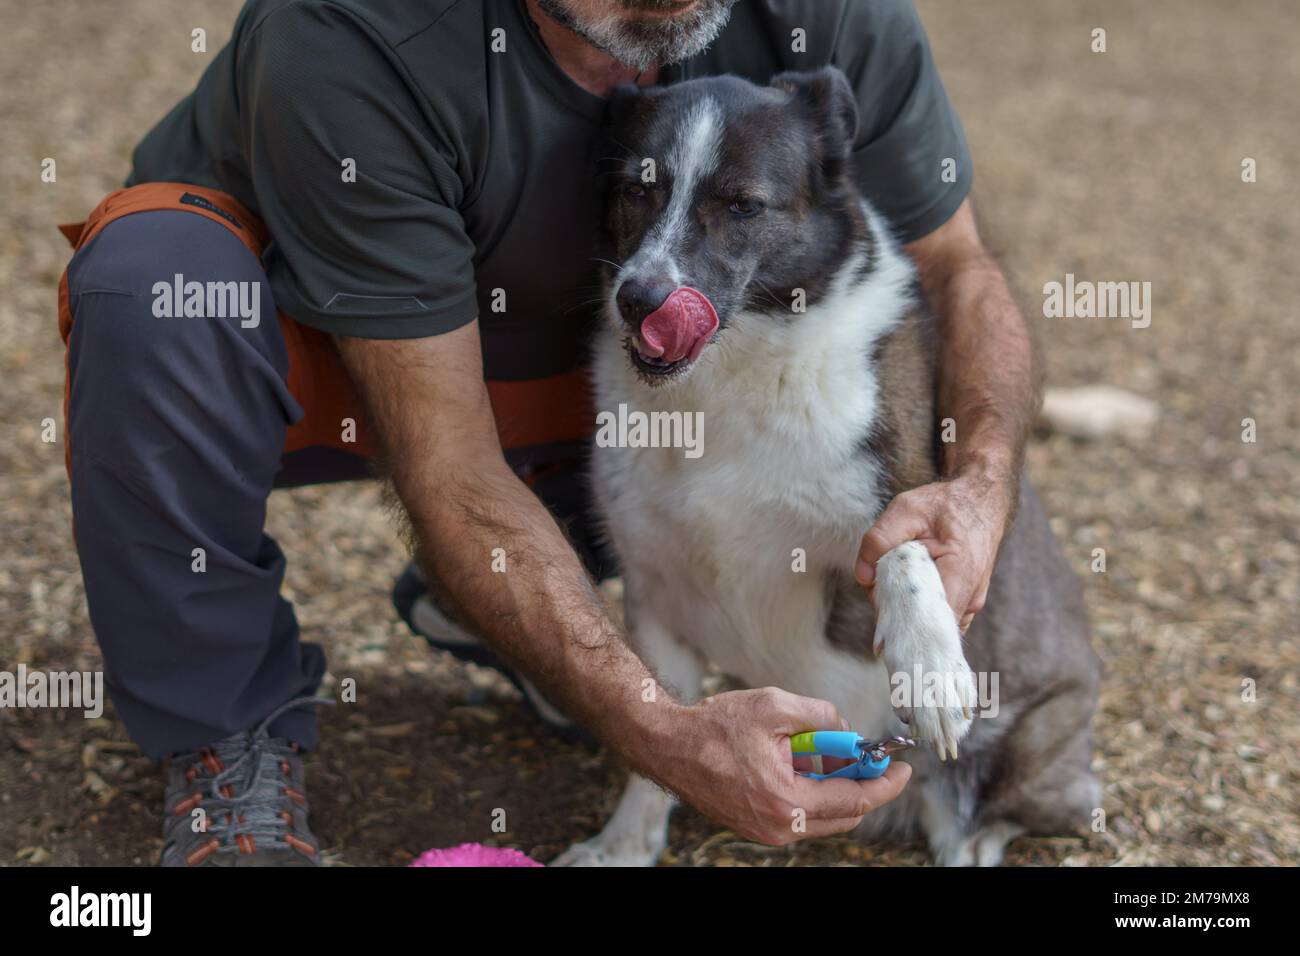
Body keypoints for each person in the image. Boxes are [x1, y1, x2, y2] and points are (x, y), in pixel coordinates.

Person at [56, 0, 1036, 866]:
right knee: (157, 287)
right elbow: (447, 464)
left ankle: (507, 613)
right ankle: (229, 737)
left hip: (591, 376)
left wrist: (982, 484)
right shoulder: (352, 29)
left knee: (705, 392)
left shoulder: (833, 13)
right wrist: (655, 728)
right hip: (338, 355)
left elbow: (957, 268)